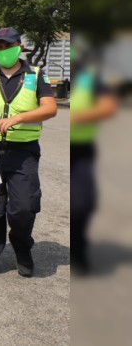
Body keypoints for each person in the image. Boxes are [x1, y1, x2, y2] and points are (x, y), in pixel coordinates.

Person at [0, 27, 58, 281]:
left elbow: (50, 108)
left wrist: (17, 118)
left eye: (7, 45)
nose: (3, 51)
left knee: (23, 209)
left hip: (23, 153)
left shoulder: (35, 75)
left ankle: (22, 249)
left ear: (20, 46)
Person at [69, 46, 117, 275]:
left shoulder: (90, 79)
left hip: (81, 150)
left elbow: (108, 107)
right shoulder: (43, 77)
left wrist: (80, 117)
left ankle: (78, 250)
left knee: (82, 203)